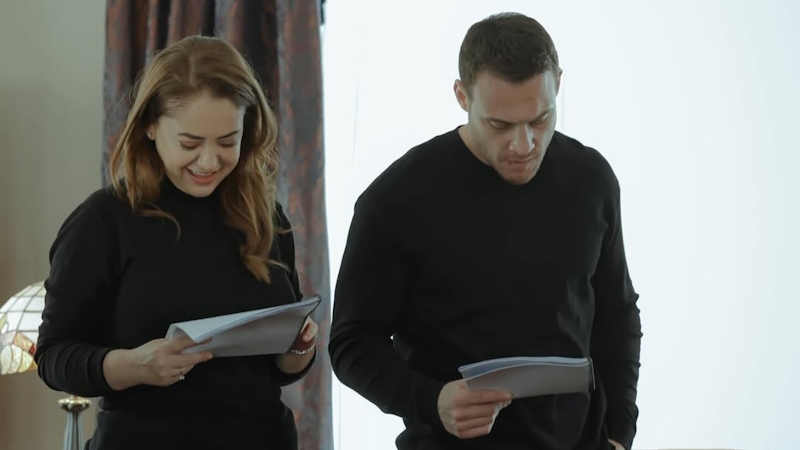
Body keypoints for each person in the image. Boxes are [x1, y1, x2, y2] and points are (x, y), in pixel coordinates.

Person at [328, 12, 642, 450]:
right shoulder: (397, 200)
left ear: (558, 85)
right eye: (500, 125)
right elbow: (352, 343)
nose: (524, 145)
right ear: (462, 96)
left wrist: (619, 433)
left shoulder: (592, 180)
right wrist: (432, 400)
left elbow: (617, 313)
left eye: (540, 119)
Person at [35, 35, 318, 450]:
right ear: (149, 126)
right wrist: (135, 365)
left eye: (228, 141)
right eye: (190, 143)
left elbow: (280, 370)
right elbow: (53, 357)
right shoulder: (103, 221)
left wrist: (299, 347)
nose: (209, 161)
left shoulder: (266, 217)